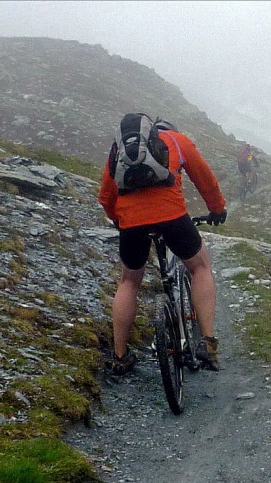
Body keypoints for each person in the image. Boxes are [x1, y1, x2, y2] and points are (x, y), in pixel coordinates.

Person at [99, 114, 228, 374]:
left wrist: (119, 220)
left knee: (129, 282)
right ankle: (207, 343)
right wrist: (217, 209)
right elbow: (205, 180)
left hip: (131, 222)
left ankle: (120, 357)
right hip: (172, 216)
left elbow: (106, 196)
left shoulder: (119, 149)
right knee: (200, 267)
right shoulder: (178, 142)